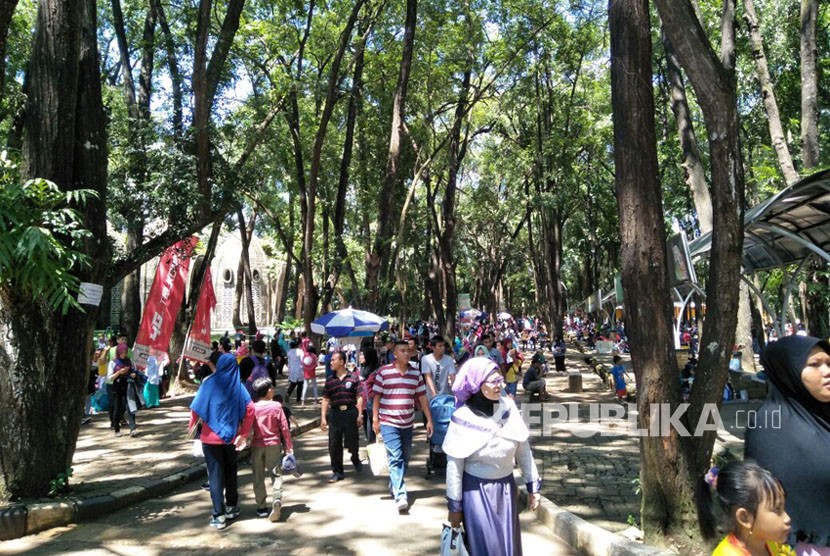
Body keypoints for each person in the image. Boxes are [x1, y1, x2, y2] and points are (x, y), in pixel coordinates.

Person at [442, 357, 541, 555]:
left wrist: (533, 486)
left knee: (507, 545)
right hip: (476, 493)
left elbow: (523, 449)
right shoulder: (463, 418)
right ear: (477, 385)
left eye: (500, 380)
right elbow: (454, 467)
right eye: (494, 381)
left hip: (506, 490)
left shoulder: (508, 408)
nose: (500, 385)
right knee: (487, 547)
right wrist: (455, 506)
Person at [744, 335, 830, 555]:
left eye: (829, 363)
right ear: (787, 371)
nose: (827, 371)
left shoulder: (822, 416)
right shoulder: (770, 426)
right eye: (814, 365)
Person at [189, 353, 255, 530]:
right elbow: (250, 408)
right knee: (231, 471)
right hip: (232, 438)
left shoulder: (209, 382)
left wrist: (191, 427)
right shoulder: (238, 386)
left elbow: (196, 408)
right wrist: (244, 433)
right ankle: (232, 507)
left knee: (215, 475)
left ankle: (218, 515)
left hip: (209, 439)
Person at [372, 340, 434, 512]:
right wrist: (375, 419)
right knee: (396, 456)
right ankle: (400, 495)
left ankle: (394, 483)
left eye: (408, 350)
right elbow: (376, 397)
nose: (407, 353)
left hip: (407, 422)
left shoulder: (415, 375)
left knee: (405, 457)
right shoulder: (383, 372)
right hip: (388, 421)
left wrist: (429, 419)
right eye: (403, 350)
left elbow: (422, 398)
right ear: (395, 354)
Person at [697, 459, 793, 556]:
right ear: (744, 517)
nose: (787, 518)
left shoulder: (770, 543)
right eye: (777, 509)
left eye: (783, 508)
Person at [249, 377, 293, 523]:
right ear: (268, 391)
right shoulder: (276, 406)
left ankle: (261, 507)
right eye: (272, 388)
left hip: (256, 445)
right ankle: (276, 499)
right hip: (273, 444)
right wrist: (288, 446)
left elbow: (247, 427)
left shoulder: (252, 407)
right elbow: (284, 428)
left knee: (258, 476)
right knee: (276, 474)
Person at [321, 351, 364, 482]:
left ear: (342, 362)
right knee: (334, 444)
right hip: (335, 414)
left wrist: (360, 414)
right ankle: (337, 472)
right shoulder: (330, 380)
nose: (331, 362)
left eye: (334, 360)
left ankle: (355, 457)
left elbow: (360, 397)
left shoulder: (353, 378)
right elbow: (325, 399)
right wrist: (323, 417)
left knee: (352, 441)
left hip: (350, 413)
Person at [107, 343, 141, 437]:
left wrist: (133, 375)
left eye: (125, 352)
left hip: (128, 386)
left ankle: (133, 428)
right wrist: (119, 372)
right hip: (117, 387)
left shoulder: (130, 361)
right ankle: (116, 429)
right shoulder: (113, 362)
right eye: (122, 352)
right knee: (117, 408)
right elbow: (110, 377)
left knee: (130, 406)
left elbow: (135, 371)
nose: (124, 354)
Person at [359, 347, 381, 443]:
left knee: (372, 429)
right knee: (367, 431)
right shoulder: (361, 369)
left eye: (362, 355)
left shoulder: (377, 371)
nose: (360, 357)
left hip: (373, 404)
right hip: (363, 404)